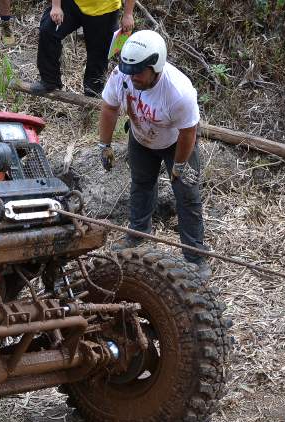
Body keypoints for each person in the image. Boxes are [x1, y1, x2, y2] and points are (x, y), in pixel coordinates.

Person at [97, 30, 210, 279]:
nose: (132, 76)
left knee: (187, 194)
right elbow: (109, 108)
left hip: (176, 143)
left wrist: (180, 165)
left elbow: (188, 132)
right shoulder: (121, 76)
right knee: (141, 183)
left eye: (139, 71)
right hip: (141, 137)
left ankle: (195, 257)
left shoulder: (178, 91)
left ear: (155, 66)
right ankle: (138, 234)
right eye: (129, 70)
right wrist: (104, 145)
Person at [32, 0, 135, 97]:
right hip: (74, 3)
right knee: (48, 30)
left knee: (98, 54)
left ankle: (92, 94)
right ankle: (49, 80)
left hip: (104, 10)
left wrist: (128, 14)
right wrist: (56, 6)